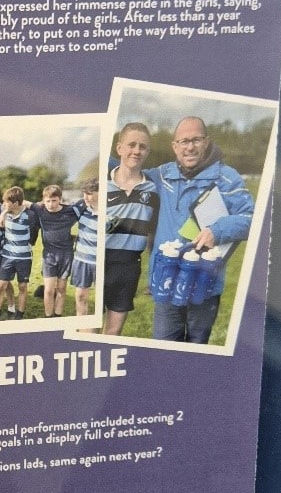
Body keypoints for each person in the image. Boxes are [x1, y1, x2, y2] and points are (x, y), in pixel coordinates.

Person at [147, 117, 254, 344]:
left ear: (206, 142)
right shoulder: (162, 175)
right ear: (174, 146)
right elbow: (127, 170)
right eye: (184, 141)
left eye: (196, 140)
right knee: (163, 349)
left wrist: (218, 230)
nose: (190, 147)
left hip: (204, 283)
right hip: (167, 282)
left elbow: (251, 218)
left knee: (197, 350)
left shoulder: (227, 178)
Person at [104, 124, 159, 336]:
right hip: (99, 263)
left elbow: (152, 233)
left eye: (142, 147)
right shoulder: (102, 183)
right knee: (87, 331)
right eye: (131, 145)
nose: (137, 151)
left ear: (147, 152)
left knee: (113, 333)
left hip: (128, 267)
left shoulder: (152, 190)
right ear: (119, 148)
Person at [29, 185, 78, 318]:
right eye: (48, 201)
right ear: (43, 201)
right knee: (49, 290)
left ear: (60, 199)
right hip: (49, 255)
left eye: (54, 200)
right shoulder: (40, 210)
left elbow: (87, 205)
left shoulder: (70, 211)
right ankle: (48, 317)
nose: (51, 204)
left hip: (66, 255)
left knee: (61, 289)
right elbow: (23, 202)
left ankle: (57, 316)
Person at [0, 186, 34, 321]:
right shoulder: (5, 212)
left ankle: (19, 315)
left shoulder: (29, 215)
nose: (4, 204)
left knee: (22, 286)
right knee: (1, 285)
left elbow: (34, 234)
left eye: (7, 202)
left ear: (15, 203)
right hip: (8, 256)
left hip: (24, 257)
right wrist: (3, 213)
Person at [71, 180, 99, 319]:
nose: (85, 197)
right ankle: (80, 323)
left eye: (89, 194)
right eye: (84, 193)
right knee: (81, 295)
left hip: (100, 262)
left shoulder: (110, 212)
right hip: (82, 260)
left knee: (103, 298)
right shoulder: (81, 209)